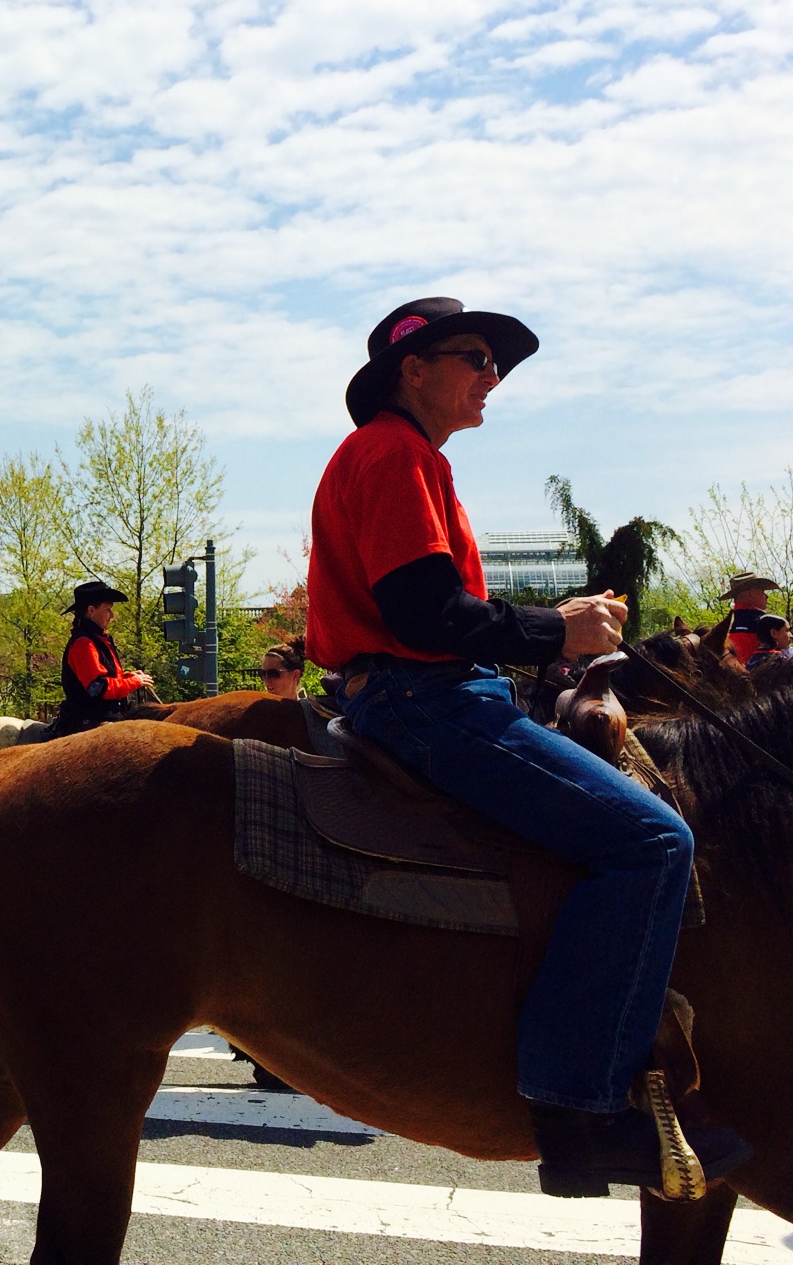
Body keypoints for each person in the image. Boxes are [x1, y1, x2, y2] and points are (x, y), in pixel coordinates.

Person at [308, 295, 749, 1197]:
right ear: (414, 369)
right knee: (653, 842)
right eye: (474, 358)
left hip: (419, 691)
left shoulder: (409, 459)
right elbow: (427, 614)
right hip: (424, 696)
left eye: (496, 363)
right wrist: (560, 629)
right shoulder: (394, 454)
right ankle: (581, 1109)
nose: (491, 376)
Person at [53, 579, 155, 737]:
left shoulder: (98, 639)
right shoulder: (83, 644)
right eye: (107, 610)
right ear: (91, 610)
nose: (112, 615)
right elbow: (98, 688)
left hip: (104, 717)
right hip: (87, 721)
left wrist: (128, 677)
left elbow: (106, 679)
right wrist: (134, 682)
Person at [716, 572, 780, 665]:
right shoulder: (767, 623)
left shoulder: (728, 624)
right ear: (750, 594)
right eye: (762, 591)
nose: (766, 596)